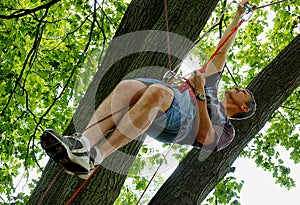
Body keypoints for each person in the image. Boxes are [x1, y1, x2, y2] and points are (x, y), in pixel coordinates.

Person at [41, 1, 256, 179]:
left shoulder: (227, 130)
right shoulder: (210, 86)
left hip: (178, 123)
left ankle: (94, 158)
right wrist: (238, 16)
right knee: (127, 87)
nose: (238, 87)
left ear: (243, 107)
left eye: (243, 92)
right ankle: (82, 143)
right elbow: (220, 53)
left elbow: (204, 135)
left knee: (158, 93)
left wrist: (199, 93)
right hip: (169, 102)